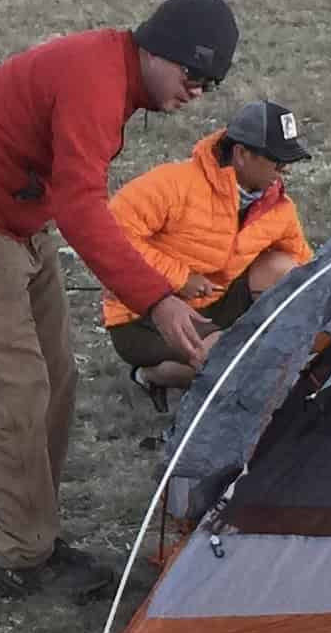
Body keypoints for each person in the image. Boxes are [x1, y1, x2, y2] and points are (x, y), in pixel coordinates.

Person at [0, 0, 237, 600]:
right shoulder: (96, 78)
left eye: (210, 84)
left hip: (19, 226)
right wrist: (159, 300)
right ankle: (21, 560)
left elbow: (69, 196)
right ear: (158, 49)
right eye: (194, 73)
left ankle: (31, 536)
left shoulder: (114, 78)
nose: (198, 91)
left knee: (56, 379)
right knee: (18, 385)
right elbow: (81, 205)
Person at [104, 99, 314, 408]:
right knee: (225, 362)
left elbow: (307, 269)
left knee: (284, 268)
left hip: (215, 302)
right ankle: (153, 374)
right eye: (276, 161)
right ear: (242, 154)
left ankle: (230, 353)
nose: (283, 171)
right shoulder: (174, 184)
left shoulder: (277, 207)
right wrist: (179, 278)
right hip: (143, 313)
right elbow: (111, 234)